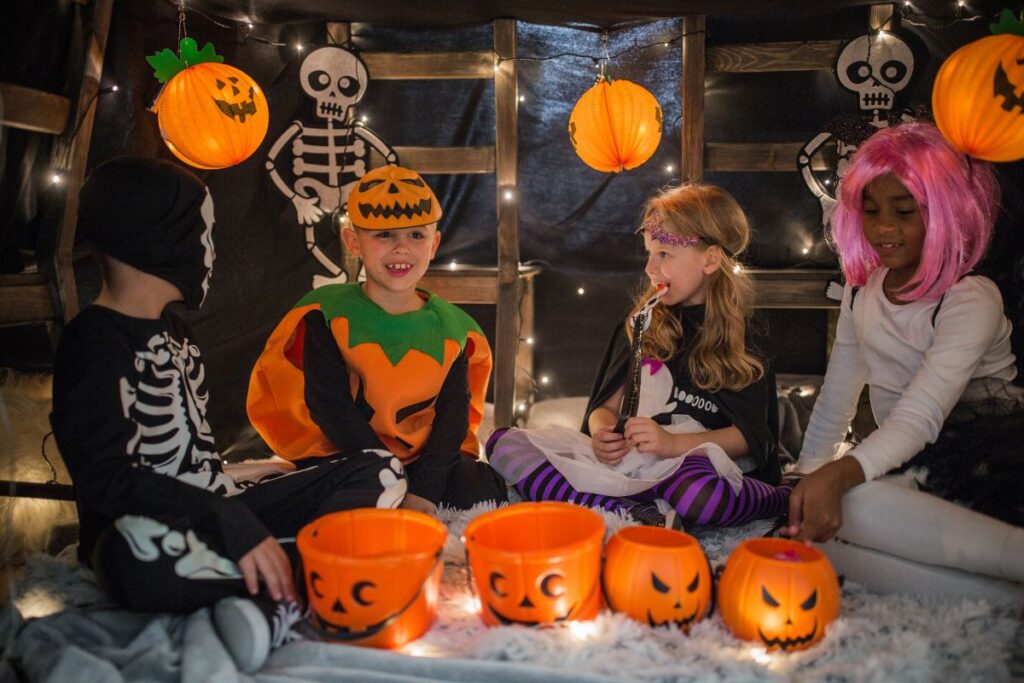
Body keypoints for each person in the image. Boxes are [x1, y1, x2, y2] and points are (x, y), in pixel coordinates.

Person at [50, 157, 404, 674]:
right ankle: (303, 585)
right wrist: (224, 515)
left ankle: (280, 578)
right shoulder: (94, 342)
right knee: (136, 557)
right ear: (160, 236)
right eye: (204, 233)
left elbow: (195, 455)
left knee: (377, 465)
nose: (210, 252)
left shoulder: (177, 335)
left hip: (220, 510)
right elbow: (105, 479)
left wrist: (240, 478)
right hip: (154, 529)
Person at [787, 123, 1024, 582]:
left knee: (852, 498)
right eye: (871, 211)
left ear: (944, 214)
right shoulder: (863, 292)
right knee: (820, 538)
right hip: (909, 467)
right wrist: (805, 478)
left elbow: (921, 416)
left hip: (988, 466)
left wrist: (838, 477)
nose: (883, 227)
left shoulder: (970, 298)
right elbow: (838, 393)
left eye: (904, 211)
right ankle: (1003, 599)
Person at [487, 183, 791, 528]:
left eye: (664, 254)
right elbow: (606, 408)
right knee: (504, 445)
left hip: (691, 465)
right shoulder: (643, 322)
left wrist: (672, 444)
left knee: (700, 494)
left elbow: (749, 436)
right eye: (649, 253)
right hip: (633, 462)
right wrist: (602, 434)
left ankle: (781, 498)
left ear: (710, 259)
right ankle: (635, 511)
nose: (650, 267)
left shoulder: (744, 334)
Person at [247, 164, 507, 516]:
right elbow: (330, 408)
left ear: (434, 244)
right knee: (333, 488)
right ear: (354, 242)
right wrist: (389, 475)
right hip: (350, 453)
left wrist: (425, 492)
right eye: (384, 235)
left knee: (480, 484)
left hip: (419, 457)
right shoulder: (326, 314)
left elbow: (452, 419)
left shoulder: (454, 328)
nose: (401, 248)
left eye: (416, 235)